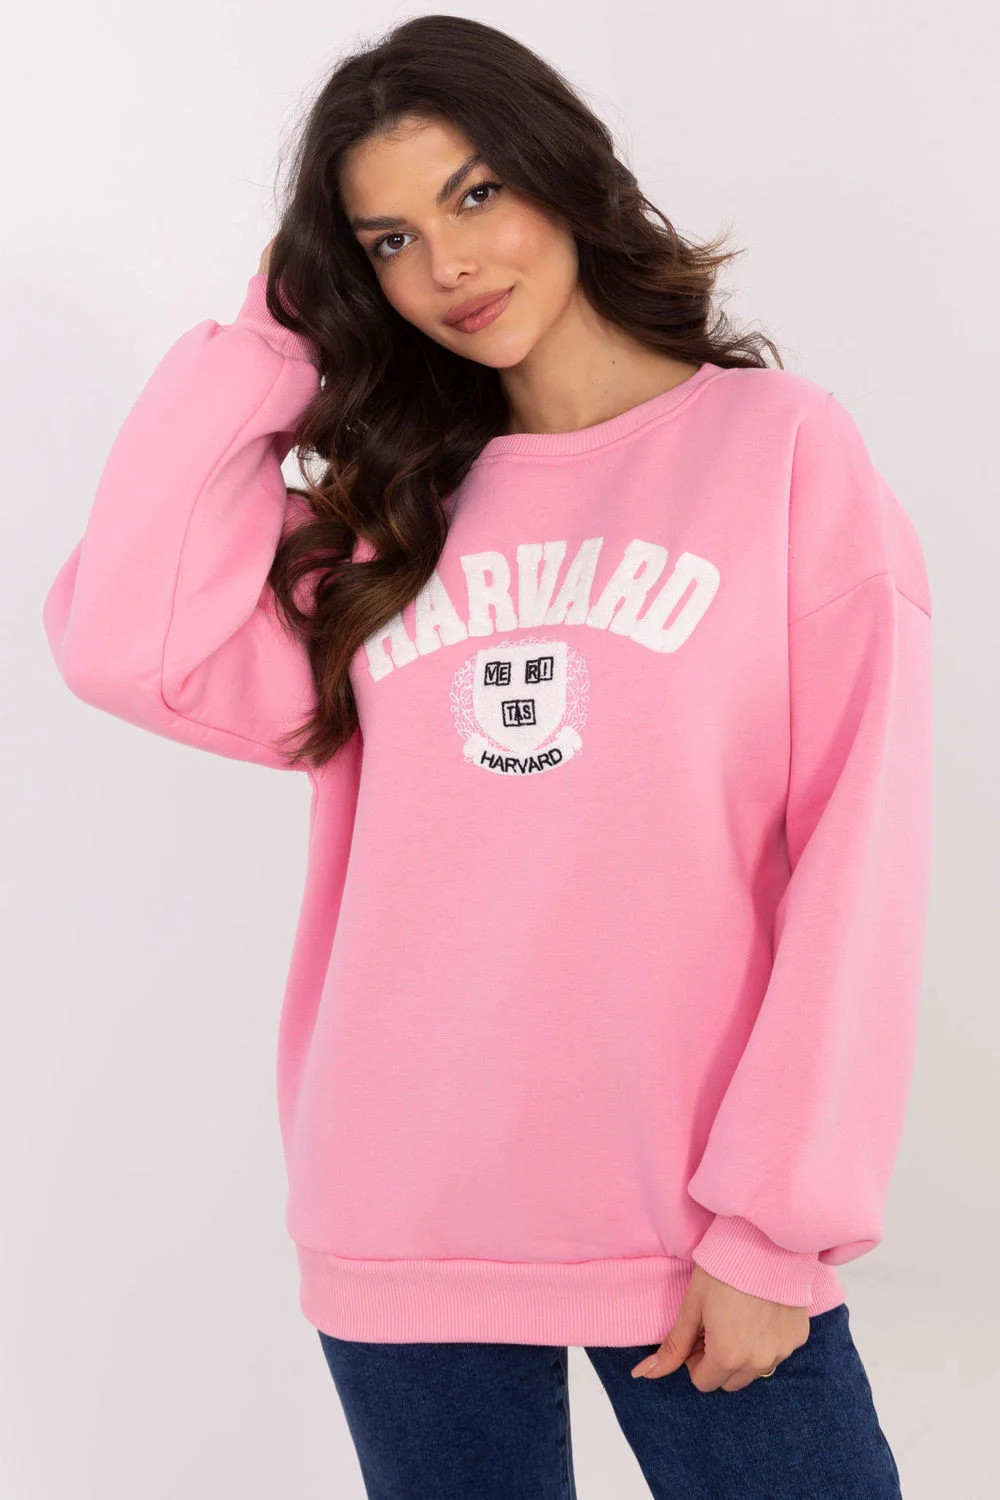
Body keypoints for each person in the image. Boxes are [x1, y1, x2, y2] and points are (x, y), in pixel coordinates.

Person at [40, 14, 931, 1497]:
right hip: (403, 1208)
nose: (447, 265)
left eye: (474, 195)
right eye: (389, 241)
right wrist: (278, 333)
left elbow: (865, 850)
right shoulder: (390, 517)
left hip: (691, 1222)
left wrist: (778, 1223)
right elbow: (121, 640)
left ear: (563, 175)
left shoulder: (779, 448)